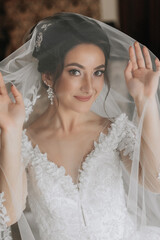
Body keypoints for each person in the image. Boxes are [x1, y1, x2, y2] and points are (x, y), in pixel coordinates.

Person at [0, 12, 160, 240]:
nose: (89, 86)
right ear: (48, 75)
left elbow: (155, 183)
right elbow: (7, 215)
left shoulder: (113, 130)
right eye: (75, 71)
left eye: (97, 72)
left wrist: (146, 101)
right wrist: (10, 130)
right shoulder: (26, 140)